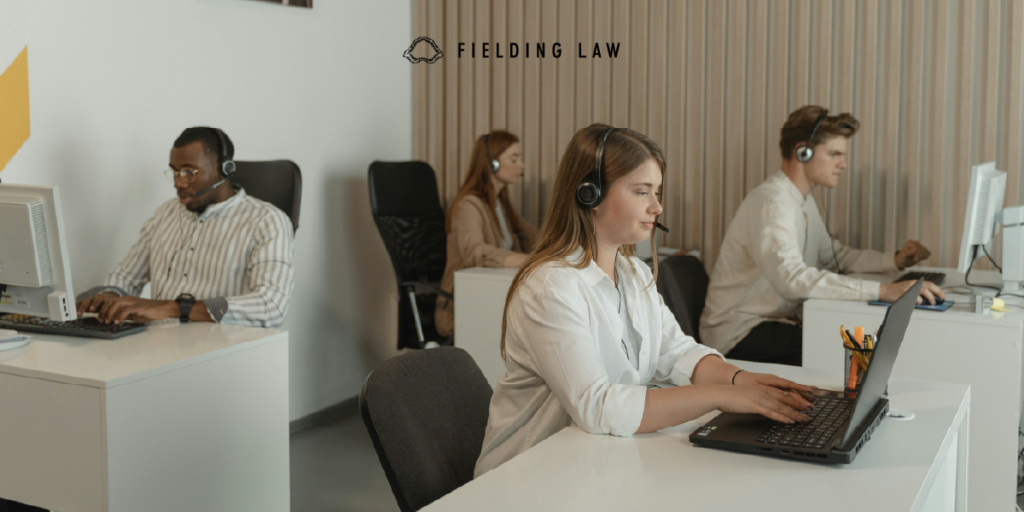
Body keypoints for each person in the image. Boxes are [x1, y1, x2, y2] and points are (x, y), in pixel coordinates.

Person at [474, 124, 814, 477]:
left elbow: (676, 351)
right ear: (589, 194)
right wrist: (719, 396)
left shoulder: (633, 271)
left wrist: (740, 380)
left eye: (657, 192)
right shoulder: (550, 287)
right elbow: (598, 405)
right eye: (642, 192)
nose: (657, 206)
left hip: (593, 461)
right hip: (525, 476)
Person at [700, 106, 944, 366]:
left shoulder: (802, 201)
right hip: (738, 333)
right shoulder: (772, 203)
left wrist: (895, 261)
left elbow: (835, 256)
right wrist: (882, 290)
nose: (843, 164)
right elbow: (790, 279)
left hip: (771, 324)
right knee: (843, 353)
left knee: (852, 345)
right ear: (802, 152)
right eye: (834, 154)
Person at [74, 127, 295, 328]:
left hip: (222, 356)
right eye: (175, 171)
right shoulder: (164, 214)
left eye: (190, 172)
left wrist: (171, 308)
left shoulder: (267, 222)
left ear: (224, 170)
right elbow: (126, 277)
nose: (179, 183)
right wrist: (110, 295)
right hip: (156, 350)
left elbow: (271, 306)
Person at [435, 130, 538, 337]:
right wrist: (529, 260)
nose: (522, 165)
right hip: (463, 305)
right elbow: (476, 252)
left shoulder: (503, 205)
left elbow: (534, 237)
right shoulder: (469, 205)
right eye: (514, 159)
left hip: (491, 297)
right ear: (493, 164)